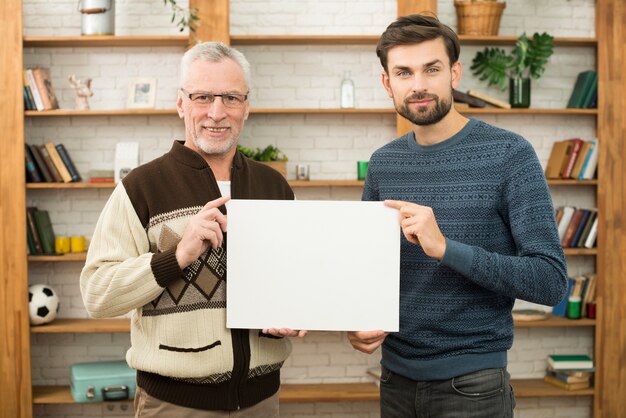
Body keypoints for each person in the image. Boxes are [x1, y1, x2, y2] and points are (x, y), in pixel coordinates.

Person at [347, 15, 568, 418]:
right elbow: (368, 271)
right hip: (394, 380)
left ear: (454, 72)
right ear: (387, 83)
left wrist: (445, 248)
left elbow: (550, 281)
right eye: (403, 72)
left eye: (431, 69)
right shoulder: (383, 165)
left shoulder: (510, 155)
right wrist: (356, 323)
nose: (418, 85)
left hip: (474, 387)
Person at [80, 41, 303, 417]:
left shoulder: (273, 187)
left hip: (262, 400)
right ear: (181, 103)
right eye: (202, 97)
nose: (216, 112)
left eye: (231, 97)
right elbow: (97, 295)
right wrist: (178, 256)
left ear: (246, 106)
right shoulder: (141, 187)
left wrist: (291, 311)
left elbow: (294, 281)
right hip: (174, 404)